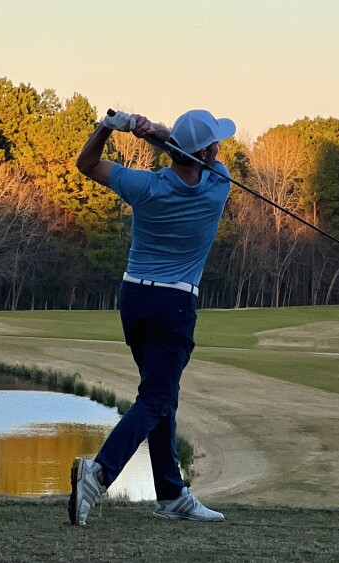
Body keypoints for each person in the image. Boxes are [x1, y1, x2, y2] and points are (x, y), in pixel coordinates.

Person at [68, 109, 235, 526]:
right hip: (174, 306)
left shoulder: (145, 186)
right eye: (215, 143)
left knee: (163, 397)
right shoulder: (219, 184)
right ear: (209, 152)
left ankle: (171, 494)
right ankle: (98, 474)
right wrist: (155, 133)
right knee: (156, 399)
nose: (219, 148)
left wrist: (110, 127)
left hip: (135, 300)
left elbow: (85, 164)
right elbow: (192, 156)